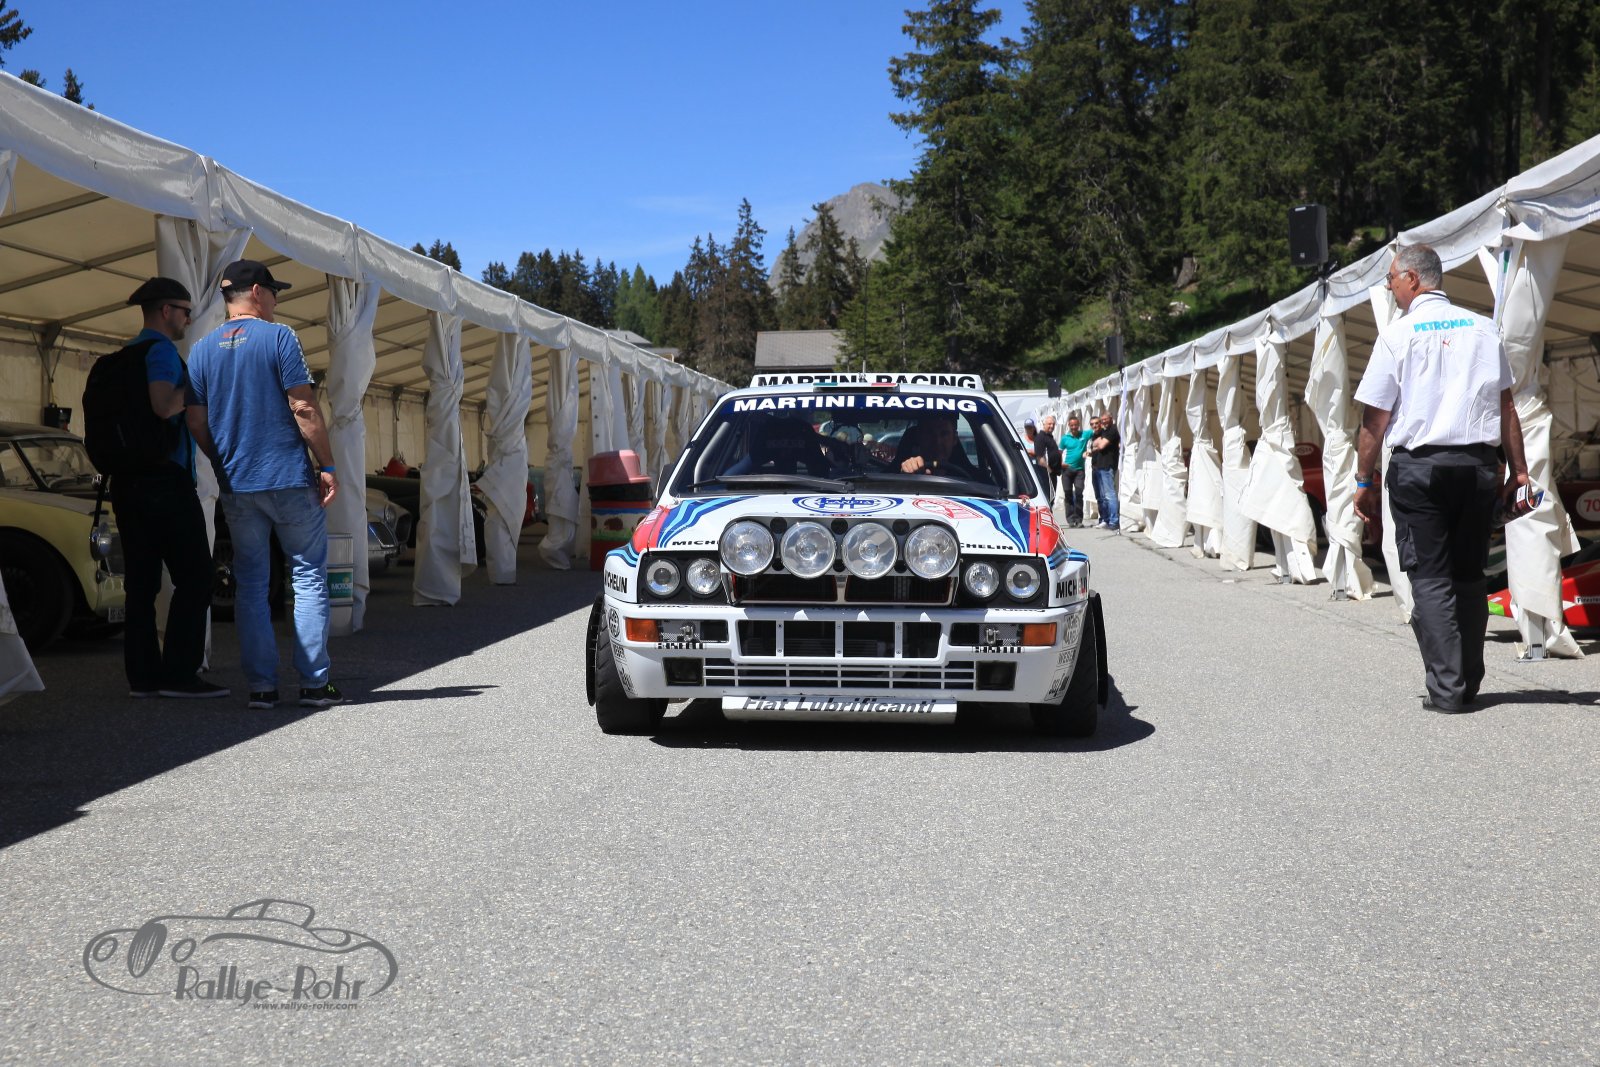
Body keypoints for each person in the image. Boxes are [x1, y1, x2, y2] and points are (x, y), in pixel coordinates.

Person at [1353, 243, 1530, 715]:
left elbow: (1374, 420)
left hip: (1420, 469)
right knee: (1469, 575)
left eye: (1391, 278)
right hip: (1477, 467)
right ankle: (1467, 683)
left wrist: (1364, 482)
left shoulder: (1397, 335)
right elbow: (1507, 406)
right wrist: (1519, 471)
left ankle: (1448, 689)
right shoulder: (1483, 327)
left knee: (1431, 577)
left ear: (1412, 279)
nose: (1390, 287)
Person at [185, 260, 343, 711]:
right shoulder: (280, 338)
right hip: (288, 477)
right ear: (257, 292)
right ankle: (314, 684)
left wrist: (222, 461)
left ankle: (261, 688)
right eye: (273, 292)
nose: (276, 300)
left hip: (238, 484)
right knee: (307, 577)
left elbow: (195, 421)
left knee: (252, 584)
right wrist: (327, 464)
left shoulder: (200, 350)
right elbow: (303, 408)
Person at [113, 278, 227, 700]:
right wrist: (199, 383)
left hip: (127, 481)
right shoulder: (161, 352)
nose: (189, 319)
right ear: (166, 311)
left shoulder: (125, 355)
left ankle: (143, 678)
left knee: (141, 584)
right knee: (196, 576)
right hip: (165, 481)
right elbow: (164, 406)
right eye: (185, 311)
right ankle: (179, 674)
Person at [898, 412, 975, 477]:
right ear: (919, 437)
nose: (937, 442)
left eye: (944, 434)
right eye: (929, 433)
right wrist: (905, 476)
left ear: (954, 439)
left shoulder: (974, 479)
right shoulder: (897, 474)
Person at [1058, 413, 1094, 528]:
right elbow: (1058, 452)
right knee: (1068, 494)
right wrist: (1060, 463)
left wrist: (1092, 449)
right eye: (1071, 425)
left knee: (1079, 494)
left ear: (1079, 425)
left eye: (1075, 425)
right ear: (1069, 426)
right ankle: (1070, 520)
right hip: (1067, 470)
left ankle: (1078, 519)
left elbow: (1097, 432)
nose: (1074, 427)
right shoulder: (1065, 438)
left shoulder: (1085, 434)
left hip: (1079, 471)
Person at [1090, 414, 1121, 531]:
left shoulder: (1111, 430)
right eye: (1092, 424)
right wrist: (1095, 444)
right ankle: (1105, 519)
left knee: (1109, 495)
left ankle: (1113, 521)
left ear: (1111, 419)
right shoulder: (1097, 434)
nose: (1103, 422)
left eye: (1105, 420)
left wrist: (1096, 444)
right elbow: (1093, 445)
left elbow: (1101, 445)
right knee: (1101, 496)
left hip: (1107, 466)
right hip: (1097, 467)